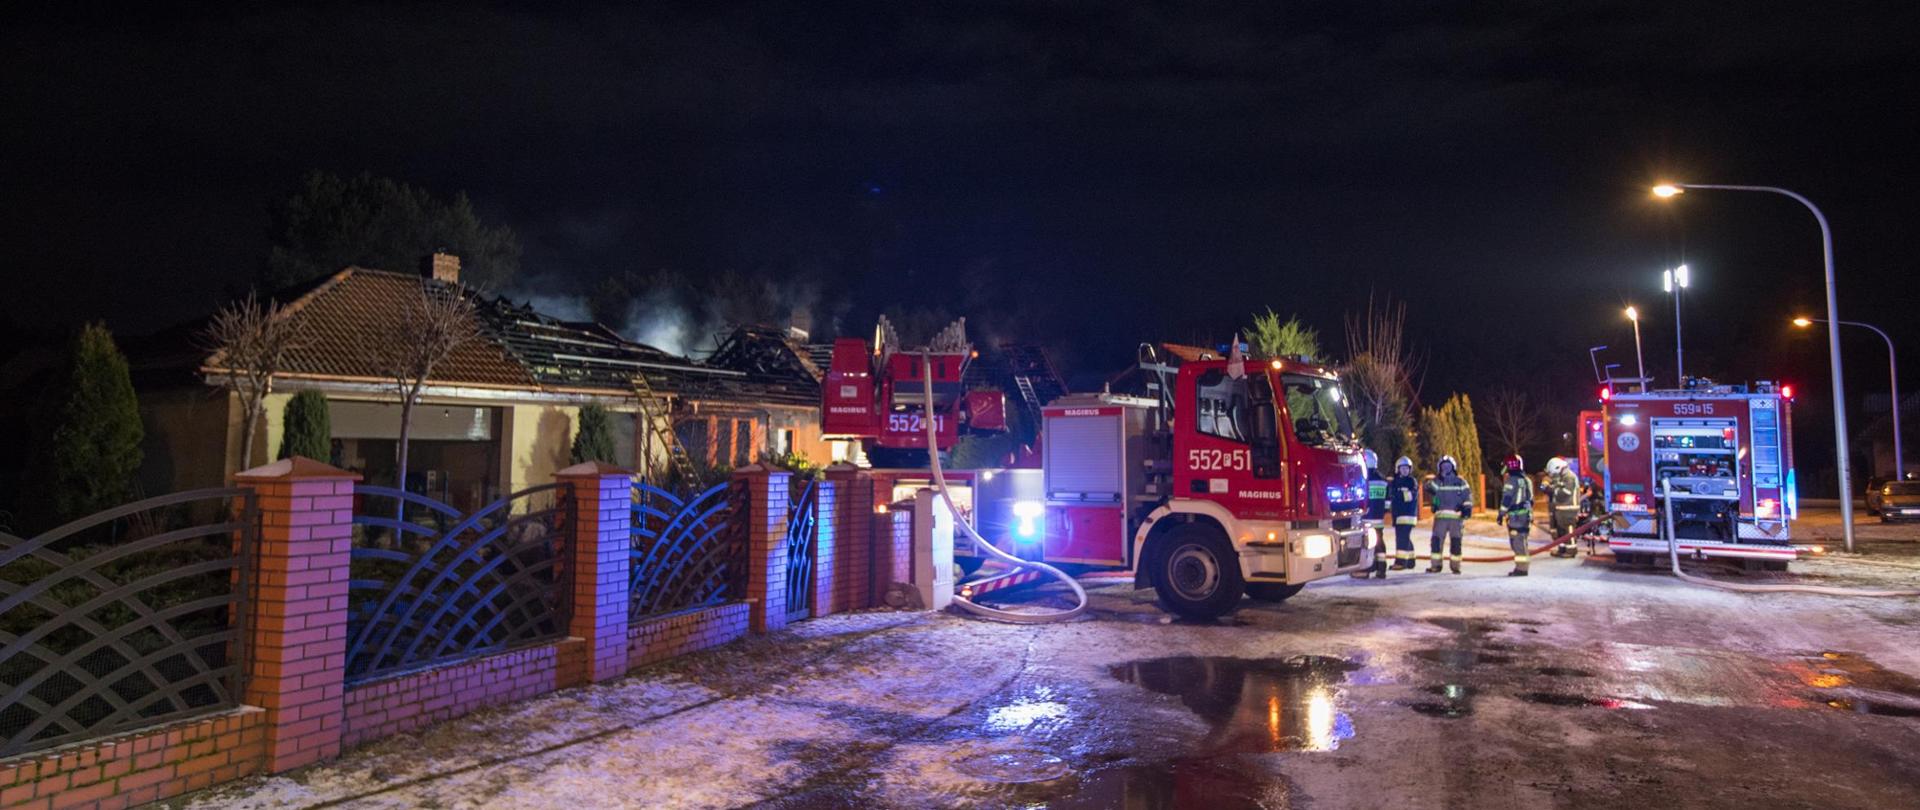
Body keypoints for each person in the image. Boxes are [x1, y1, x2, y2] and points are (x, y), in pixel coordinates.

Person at [1424, 455, 1474, 574]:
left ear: (1453, 467)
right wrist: (1438, 478)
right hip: (1440, 518)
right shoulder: (1438, 482)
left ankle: (1455, 566)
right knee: (1436, 542)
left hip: (1456, 518)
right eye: (1443, 466)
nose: (1445, 468)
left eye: (1448, 466)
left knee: (1456, 542)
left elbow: (1467, 496)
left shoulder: (1460, 482)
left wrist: (1466, 508)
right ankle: (1436, 565)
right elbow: (1429, 488)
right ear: (1439, 468)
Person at [1355, 449, 1390, 579]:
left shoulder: (1363, 479)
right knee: (1380, 544)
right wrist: (1382, 512)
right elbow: (1387, 502)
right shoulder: (1383, 480)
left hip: (1366, 520)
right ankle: (1381, 569)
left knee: (1366, 545)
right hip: (1378, 519)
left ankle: (1365, 570)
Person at [1501, 454, 1534, 576]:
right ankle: (1522, 567)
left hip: (1516, 517)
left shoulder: (1511, 480)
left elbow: (1507, 499)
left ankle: (1521, 569)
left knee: (1517, 542)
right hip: (1525, 516)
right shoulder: (1527, 480)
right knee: (1522, 540)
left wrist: (1501, 514)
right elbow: (1531, 500)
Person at [1388, 455, 1420, 569]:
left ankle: (1400, 562)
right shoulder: (1395, 482)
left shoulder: (1412, 481)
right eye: (1402, 468)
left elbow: (1411, 495)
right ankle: (1411, 561)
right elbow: (1391, 497)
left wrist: (1397, 495)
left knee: (1402, 538)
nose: (1405, 470)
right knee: (1404, 537)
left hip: (1408, 515)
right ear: (1398, 469)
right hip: (1398, 515)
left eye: (1407, 468)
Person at [1546, 457, 1581, 558]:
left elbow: (1565, 493)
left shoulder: (1569, 477)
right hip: (1561, 508)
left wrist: (1552, 491)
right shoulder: (1562, 477)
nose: (1552, 475)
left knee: (1568, 529)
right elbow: (1556, 488)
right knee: (1560, 530)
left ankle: (1571, 550)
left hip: (1569, 509)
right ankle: (1562, 549)